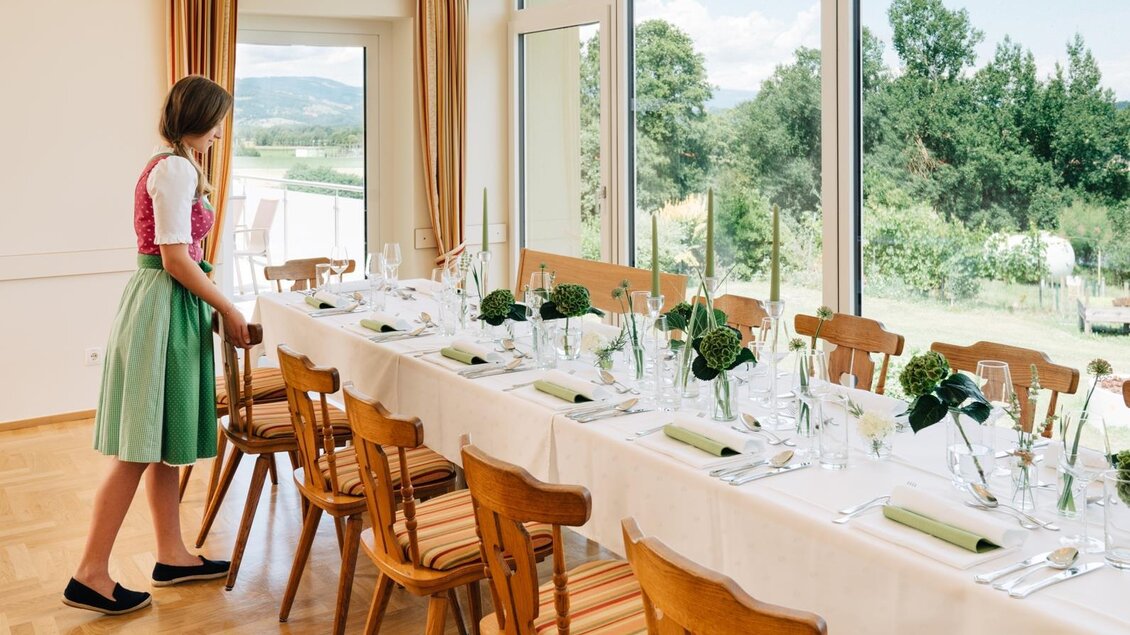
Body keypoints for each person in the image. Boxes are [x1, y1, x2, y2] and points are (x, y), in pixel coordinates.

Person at [63, 75, 251, 615]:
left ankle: (172, 555)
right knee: (137, 450)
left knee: (160, 441)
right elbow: (175, 258)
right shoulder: (173, 168)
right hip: (162, 308)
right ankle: (90, 573)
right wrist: (229, 307)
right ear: (198, 117)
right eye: (217, 120)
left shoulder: (172, 162)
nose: (221, 131)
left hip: (166, 306)